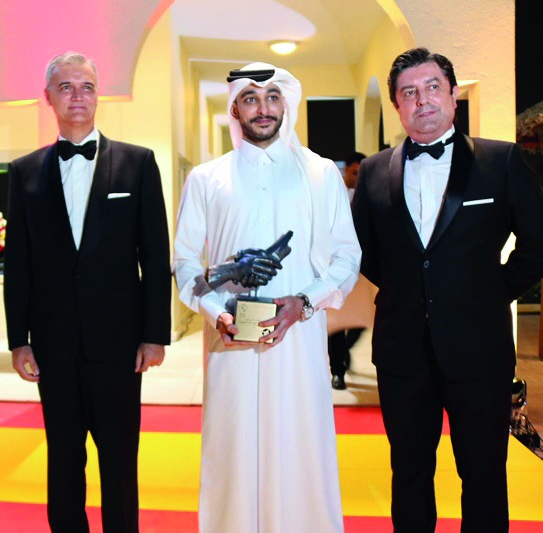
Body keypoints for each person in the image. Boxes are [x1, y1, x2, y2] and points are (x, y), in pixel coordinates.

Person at [352, 47, 543, 532]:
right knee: (409, 473)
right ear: (397, 106)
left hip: (479, 348)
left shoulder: (502, 160)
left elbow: (538, 241)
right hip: (400, 350)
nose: (423, 100)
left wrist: (493, 291)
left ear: (453, 95)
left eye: (432, 87)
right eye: (409, 93)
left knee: (482, 475)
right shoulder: (373, 171)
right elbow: (363, 252)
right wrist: (408, 289)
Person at [173, 62, 361, 533]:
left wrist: (303, 302)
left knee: (301, 445)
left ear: (287, 104)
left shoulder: (320, 174)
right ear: (235, 107)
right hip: (229, 345)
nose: (263, 108)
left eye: (273, 97)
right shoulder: (205, 179)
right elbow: (185, 265)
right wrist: (216, 313)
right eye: (251, 98)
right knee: (231, 451)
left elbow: (346, 257)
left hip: (298, 343)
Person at [3, 52, 171, 533]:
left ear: (99, 94)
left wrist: (153, 334)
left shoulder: (138, 164)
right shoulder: (23, 171)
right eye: (66, 87)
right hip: (53, 348)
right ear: (48, 97)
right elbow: (19, 264)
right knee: (62, 464)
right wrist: (19, 339)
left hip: (118, 347)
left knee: (120, 464)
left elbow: (154, 257)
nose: (77, 96)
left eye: (87, 86)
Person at [328, 151, 366, 390]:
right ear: (346, 171)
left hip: (363, 270)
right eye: (355, 172)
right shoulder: (333, 194)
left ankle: (347, 349)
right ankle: (337, 371)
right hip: (335, 266)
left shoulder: (370, 196)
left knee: (361, 319)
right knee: (337, 322)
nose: (359, 178)